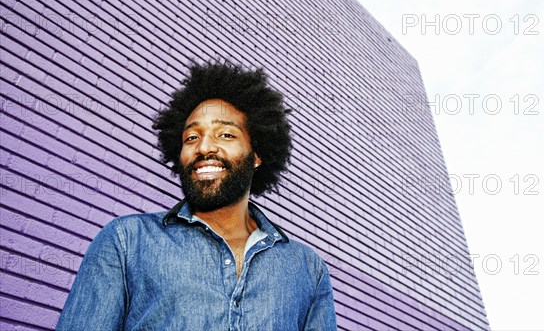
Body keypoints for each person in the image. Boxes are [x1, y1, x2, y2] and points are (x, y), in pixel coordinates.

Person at [56, 61, 337, 330]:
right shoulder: (127, 241)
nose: (204, 147)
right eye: (191, 137)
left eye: (225, 134)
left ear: (257, 155)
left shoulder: (307, 269)